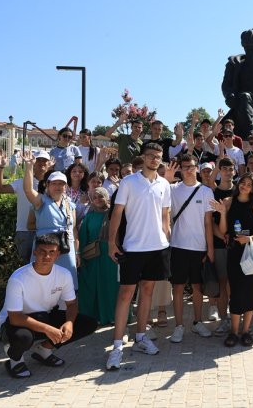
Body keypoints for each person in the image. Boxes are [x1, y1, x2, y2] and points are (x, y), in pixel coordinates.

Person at [105, 143, 171, 370]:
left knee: (148, 292)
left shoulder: (164, 184)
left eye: (158, 156)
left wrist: (166, 232)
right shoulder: (128, 182)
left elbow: (165, 213)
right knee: (126, 294)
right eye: (151, 156)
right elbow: (116, 212)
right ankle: (116, 347)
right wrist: (111, 242)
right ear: (143, 157)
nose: (154, 159)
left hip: (157, 247)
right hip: (132, 247)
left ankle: (141, 337)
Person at [0, 234, 98, 379]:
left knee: (87, 324)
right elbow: (15, 317)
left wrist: (69, 323)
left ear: (57, 255)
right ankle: (15, 359)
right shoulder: (18, 278)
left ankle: (43, 350)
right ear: (34, 252)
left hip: (43, 316)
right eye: (42, 251)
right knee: (23, 337)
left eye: (51, 252)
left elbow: (71, 304)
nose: (47, 256)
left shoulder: (64, 274)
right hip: (14, 322)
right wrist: (48, 329)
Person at [211, 173, 253, 348]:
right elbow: (222, 231)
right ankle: (233, 332)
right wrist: (222, 214)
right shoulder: (229, 201)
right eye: (243, 183)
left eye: (249, 185)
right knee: (236, 292)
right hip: (235, 253)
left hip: (251, 253)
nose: (245, 187)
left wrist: (250, 238)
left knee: (251, 292)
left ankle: (246, 331)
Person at [167, 154, 216, 343]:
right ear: (180, 168)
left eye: (191, 166)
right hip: (177, 246)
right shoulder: (172, 189)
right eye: (185, 166)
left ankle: (198, 322)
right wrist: (167, 179)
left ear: (197, 168)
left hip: (199, 247)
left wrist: (209, 249)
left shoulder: (205, 192)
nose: (188, 169)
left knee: (197, 287)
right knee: (178, 287)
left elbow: (208, 223)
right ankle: (179, 326)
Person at [21, 156, 79, 289]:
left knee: (67, 284)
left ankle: (64, 309)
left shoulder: (70, 204)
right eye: (54, 183)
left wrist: (77, 252)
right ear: (47, 185)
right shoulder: (40, 201)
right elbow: (28, 190)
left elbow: (74, 230)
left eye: (61, 184)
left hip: (65, 249)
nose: (58, 187)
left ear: (66, 186)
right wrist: (29, 166)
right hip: (45, 248)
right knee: (41, 282)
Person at [0, 150, 52, 262]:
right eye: (38, 160)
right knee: (24, 266)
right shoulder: (21, 182)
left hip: (47, 231)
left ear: (49, 163)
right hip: (25, 232)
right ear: (33, 162)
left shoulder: (53, 184)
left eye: (44, 160)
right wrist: (0, 167)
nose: (41, 163)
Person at [77, 187, 119, 325]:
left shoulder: (115, 213)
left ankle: (114, 316)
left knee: (112, 286)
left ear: (107, 197)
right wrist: (81, 256)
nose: (98, 200)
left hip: (112, 256)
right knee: (94, 286)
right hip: (94, 255)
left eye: (101, 196)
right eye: (94, 197)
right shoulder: (90, 215)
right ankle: (94, 317)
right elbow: (83, 237)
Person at [209, 157, 235, 336]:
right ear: (219, 171)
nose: (227, 172)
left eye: (230, 169)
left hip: (237, 243)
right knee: (222, 283)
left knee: (235, 283)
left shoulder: (241, 191)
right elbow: (209, 221)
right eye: (223, 169)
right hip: (219, 244)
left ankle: (236, 318)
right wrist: (222, 236)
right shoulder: (212, 193)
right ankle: (223, 319)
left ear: (234, 171)